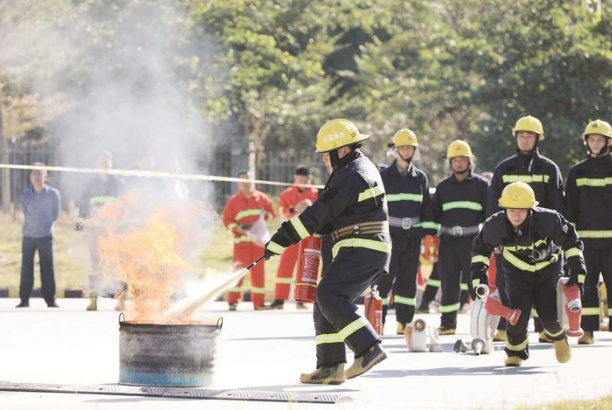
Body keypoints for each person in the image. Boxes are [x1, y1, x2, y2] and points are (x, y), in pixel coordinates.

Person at [264, 118, 390, 384]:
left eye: (325, 154)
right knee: (325, 300)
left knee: (330, 294)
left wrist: (279, 240)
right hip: (361, 244)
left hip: (362, 245)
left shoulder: (351, 174)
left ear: (341, 150)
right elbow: (334, 216)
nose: (323, 159)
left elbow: (319, 214)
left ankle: (369, 348)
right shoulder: (354, 169)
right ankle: (331, 366)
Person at [471, 182, 585, 366]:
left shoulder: (549, 219)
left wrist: (578, 272)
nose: (516, 214)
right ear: (505, 209)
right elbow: (480, 251)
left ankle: (559, 338)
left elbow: (572, 242)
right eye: (512, 210)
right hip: (516, 272)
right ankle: (516, 352)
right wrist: (479, 281)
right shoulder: (495, 225)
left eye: (522, 210)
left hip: (548, 270)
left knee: (548, 316)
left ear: (531, 209)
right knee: (517, 314)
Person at [486, 115, 564, 342]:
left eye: (529, 136)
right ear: (516, 138)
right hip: (509, 238)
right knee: (505, 281)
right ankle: (504, 326)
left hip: (541, 240)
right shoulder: (504, 168)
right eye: (521, 135)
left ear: (538, 139)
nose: (525, 139)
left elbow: (557, 205)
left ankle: (544, 329)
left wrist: (555, 237)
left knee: (544, 283)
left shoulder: (550, 168)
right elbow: (493, 205)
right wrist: (495, 237)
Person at [377, 129, 436, 334]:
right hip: (389, 237)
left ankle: (404, 324)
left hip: (412, 238)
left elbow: (427, 208)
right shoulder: (383, 177)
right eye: (402, 147)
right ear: (395, 150)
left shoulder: (420, 178)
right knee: (383, 281)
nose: (406, 150)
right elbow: (376, 207)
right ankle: (378, 323)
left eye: (410, 147)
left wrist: (429, 235)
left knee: (408, 282)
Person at [430, 140, 489, 334]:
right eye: (455, 160)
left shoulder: (481, 185)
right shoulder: (443, 187)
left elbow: (490, 215)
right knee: (449, 283)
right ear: (450, 163)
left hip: (472, 242)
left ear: (469, 161)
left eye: (462, 159)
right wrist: (430, 236)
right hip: (448, 242)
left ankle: (482, 323)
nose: (459, 163)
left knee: (476, 283)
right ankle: (448, 324)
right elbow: (433, 215)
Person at [565, 119, 612, 344]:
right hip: (586, 243)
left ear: (608, 142)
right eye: (592, 139)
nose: (595, 143)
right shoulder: (577, 171)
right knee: (588, 286)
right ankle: (589, 331)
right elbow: (570, 208)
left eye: (599, 140)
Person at [76, 151, 127, 311]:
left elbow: (126, 207)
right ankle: (93, 300)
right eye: (101, 163)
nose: (104, 165)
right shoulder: (90, 184)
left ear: (111, 164)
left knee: (119, 266)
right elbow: (83, 205)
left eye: (107, 162)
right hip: (96, 232)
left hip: (115, 232)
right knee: (95, 265)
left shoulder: (120, 184)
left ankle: (121, 301)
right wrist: (80, 224)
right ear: (97, 165)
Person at [266, 167, 318, 310]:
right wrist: (294, 209)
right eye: (300, 180)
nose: (303, 183)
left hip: (309, 237)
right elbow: (281, 211)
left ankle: (302, 299)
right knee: (285, 267)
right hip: (291, 235)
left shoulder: (316, 193)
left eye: (306, 180)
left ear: (310, 179)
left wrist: (310, 207)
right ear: (295, 178)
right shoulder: (286, 194)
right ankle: (279, 299)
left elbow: (322, 211)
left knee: (307, 268)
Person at [223, 170, 276, 311]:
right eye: (243, 181)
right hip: (242, 244)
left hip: (258, 244)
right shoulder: (233, 201)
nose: (246, 183)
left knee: (259, 274)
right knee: (237, 273)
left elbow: (272, 214)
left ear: (253, 181)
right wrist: (238, 228)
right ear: (239, 184)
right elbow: (227, 221)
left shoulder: (262, 198)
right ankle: (232, 301)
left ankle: (259, 303)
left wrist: (264, 219)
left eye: (248, 180)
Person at [17, 163, 61, 308]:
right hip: (28, 237)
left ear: (45, 176)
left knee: (47, 268)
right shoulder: (25, 194)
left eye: (40, 173)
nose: (37, 176)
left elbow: (56, 213)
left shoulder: (53, 194)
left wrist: (45, 226)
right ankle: (24, 299)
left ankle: (50, 299)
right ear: (30, 176)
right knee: (26, 269)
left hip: (46, 236)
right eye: (34, 173)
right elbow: (25, 212)